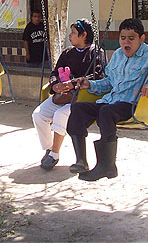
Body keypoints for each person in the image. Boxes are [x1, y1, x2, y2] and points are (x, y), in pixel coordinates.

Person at [67, 18, 148, 181]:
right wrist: (90, 84)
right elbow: (109, 82)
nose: (126, 42)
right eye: (123, 38)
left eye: (131, 38)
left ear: (142, 38)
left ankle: (107, 166)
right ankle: (81, 161)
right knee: (78, 108)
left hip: (132, 105)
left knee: (106, 112)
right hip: (111, 102)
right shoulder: (118, 55)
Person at [31, 19, 106, 170]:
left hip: (83, 98)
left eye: (73, 33)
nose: (70, 36)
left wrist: (73, 83)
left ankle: (54, 154)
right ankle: (49, 148)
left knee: (60, 115)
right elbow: (55, 72)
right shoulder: (67, 52)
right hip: (63, 96)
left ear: (83, 35)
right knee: (38, 115)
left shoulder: (96, 52)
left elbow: (98, 75)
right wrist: (55, 85)